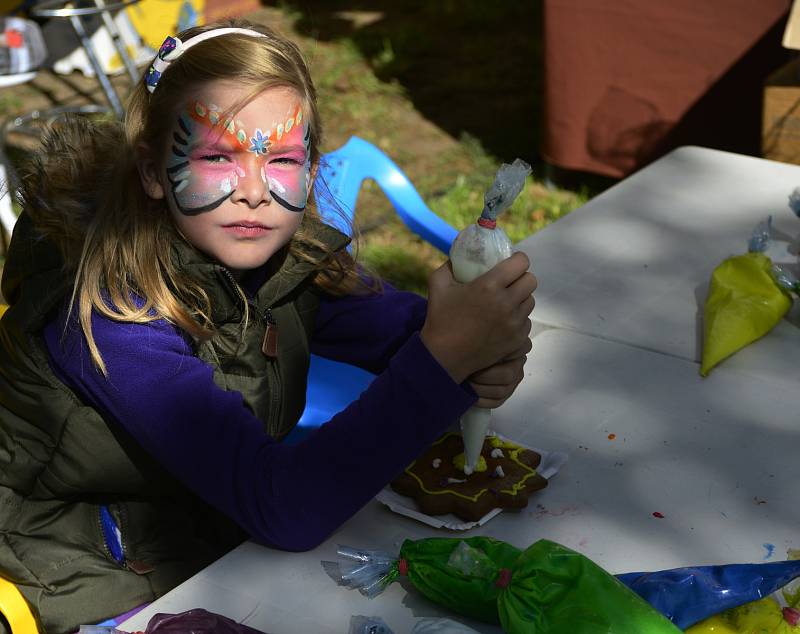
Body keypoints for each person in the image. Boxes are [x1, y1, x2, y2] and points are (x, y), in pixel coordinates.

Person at [0, 20, 537, 634]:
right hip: (89, 583)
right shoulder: (110, 317)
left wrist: (476, 346)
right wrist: (445, 360)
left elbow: (407, 332)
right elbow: (287, 511)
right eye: (217, 157)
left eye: (281, 158)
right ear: (152, 170)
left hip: (211, 536)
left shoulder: (287, 262)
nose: (253, 191)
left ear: (311, 170)